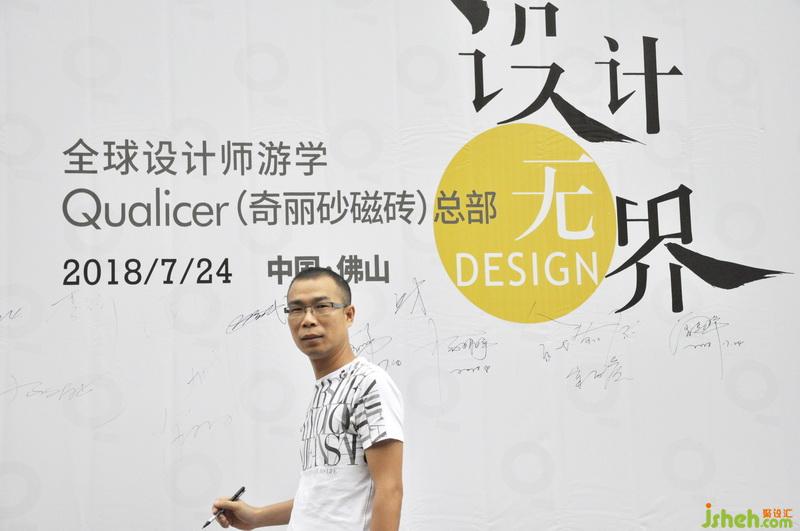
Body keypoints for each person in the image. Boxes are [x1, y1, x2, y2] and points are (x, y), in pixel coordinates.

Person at [211, 267, 404, 530]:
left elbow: (390, 489)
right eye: (296, 309)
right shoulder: (326, 389)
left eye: (322, 306)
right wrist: (255, 517)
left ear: (348, 315)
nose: (308, 320)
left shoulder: (368, 383)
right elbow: (323, 499)